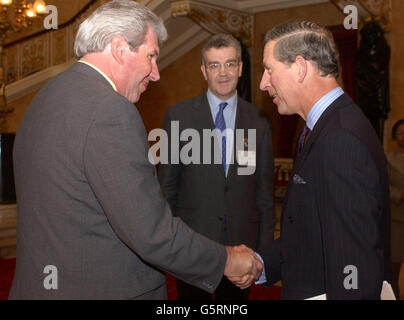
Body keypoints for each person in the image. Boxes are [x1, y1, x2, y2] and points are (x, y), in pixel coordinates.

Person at [8, 1, 261, 300]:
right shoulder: (110, 110)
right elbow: (151, 233)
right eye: (151, 56)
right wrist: (228, 260)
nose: (155, 73)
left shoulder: (47, 96)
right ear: (119, 48)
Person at [257, 20, 392, 299]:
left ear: (300, 67)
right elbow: (312, 228)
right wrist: (262, 263)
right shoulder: (321, 127)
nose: (263, 82)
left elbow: (353, 266)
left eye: (269, 69)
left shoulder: (340, 139)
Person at [158, 33, 275, 300]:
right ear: (204, 70)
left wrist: (263, 254)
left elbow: (264, 194)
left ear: (241, 68)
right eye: (214, 65)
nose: (223, 73)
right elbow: (167, 189)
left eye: (230, 64)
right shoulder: (179, 116)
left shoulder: (258, 120)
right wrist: (170, 246)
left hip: (243, 248)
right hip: (193, 247)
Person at [387, 119, 404, 299]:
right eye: (400, 133)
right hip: (397, 219)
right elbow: (383, 186)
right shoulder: (389, 159)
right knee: (395, 264)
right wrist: (399, 195)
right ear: (394, 137)